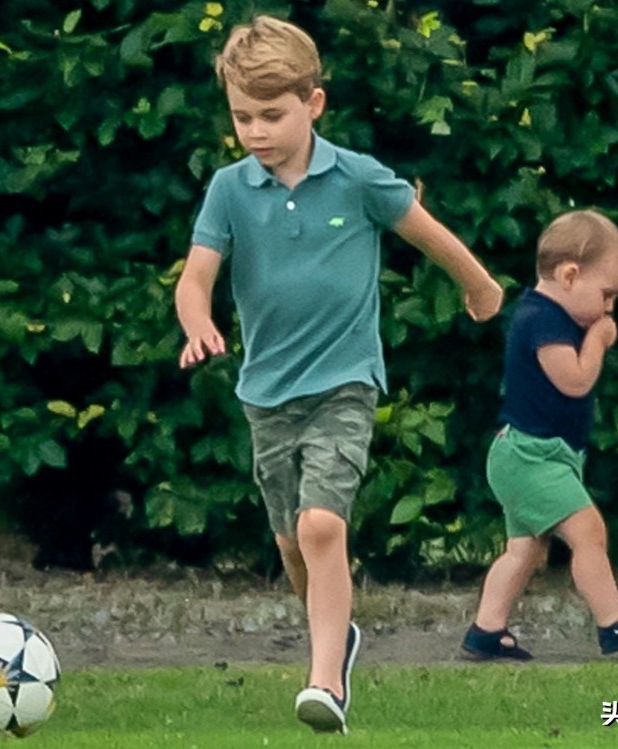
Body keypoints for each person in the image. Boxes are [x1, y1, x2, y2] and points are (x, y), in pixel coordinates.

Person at [174, 15, 503, 734]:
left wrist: (480, 286)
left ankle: (326, 680)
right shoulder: (229, 190)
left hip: (345, 381)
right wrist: (197, 321)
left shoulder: (357, 177)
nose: (255, 131)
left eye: (271, 115)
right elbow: (196, 276)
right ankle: (340, 633)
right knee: (294, 541)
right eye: (241, 117)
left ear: (313, 104)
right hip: (265, 393)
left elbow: (430, 233)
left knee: (322, 525)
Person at [461, 210, 618, 661]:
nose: (610, 308)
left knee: (525, 551)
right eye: (607, 294)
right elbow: (572, 380)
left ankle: (486, 630)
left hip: (538, 455)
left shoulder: (548, 315)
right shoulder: (542, 320)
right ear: (570, 275)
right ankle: (614, 622)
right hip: (530, 456)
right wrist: (597, 340)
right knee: (588, 531)